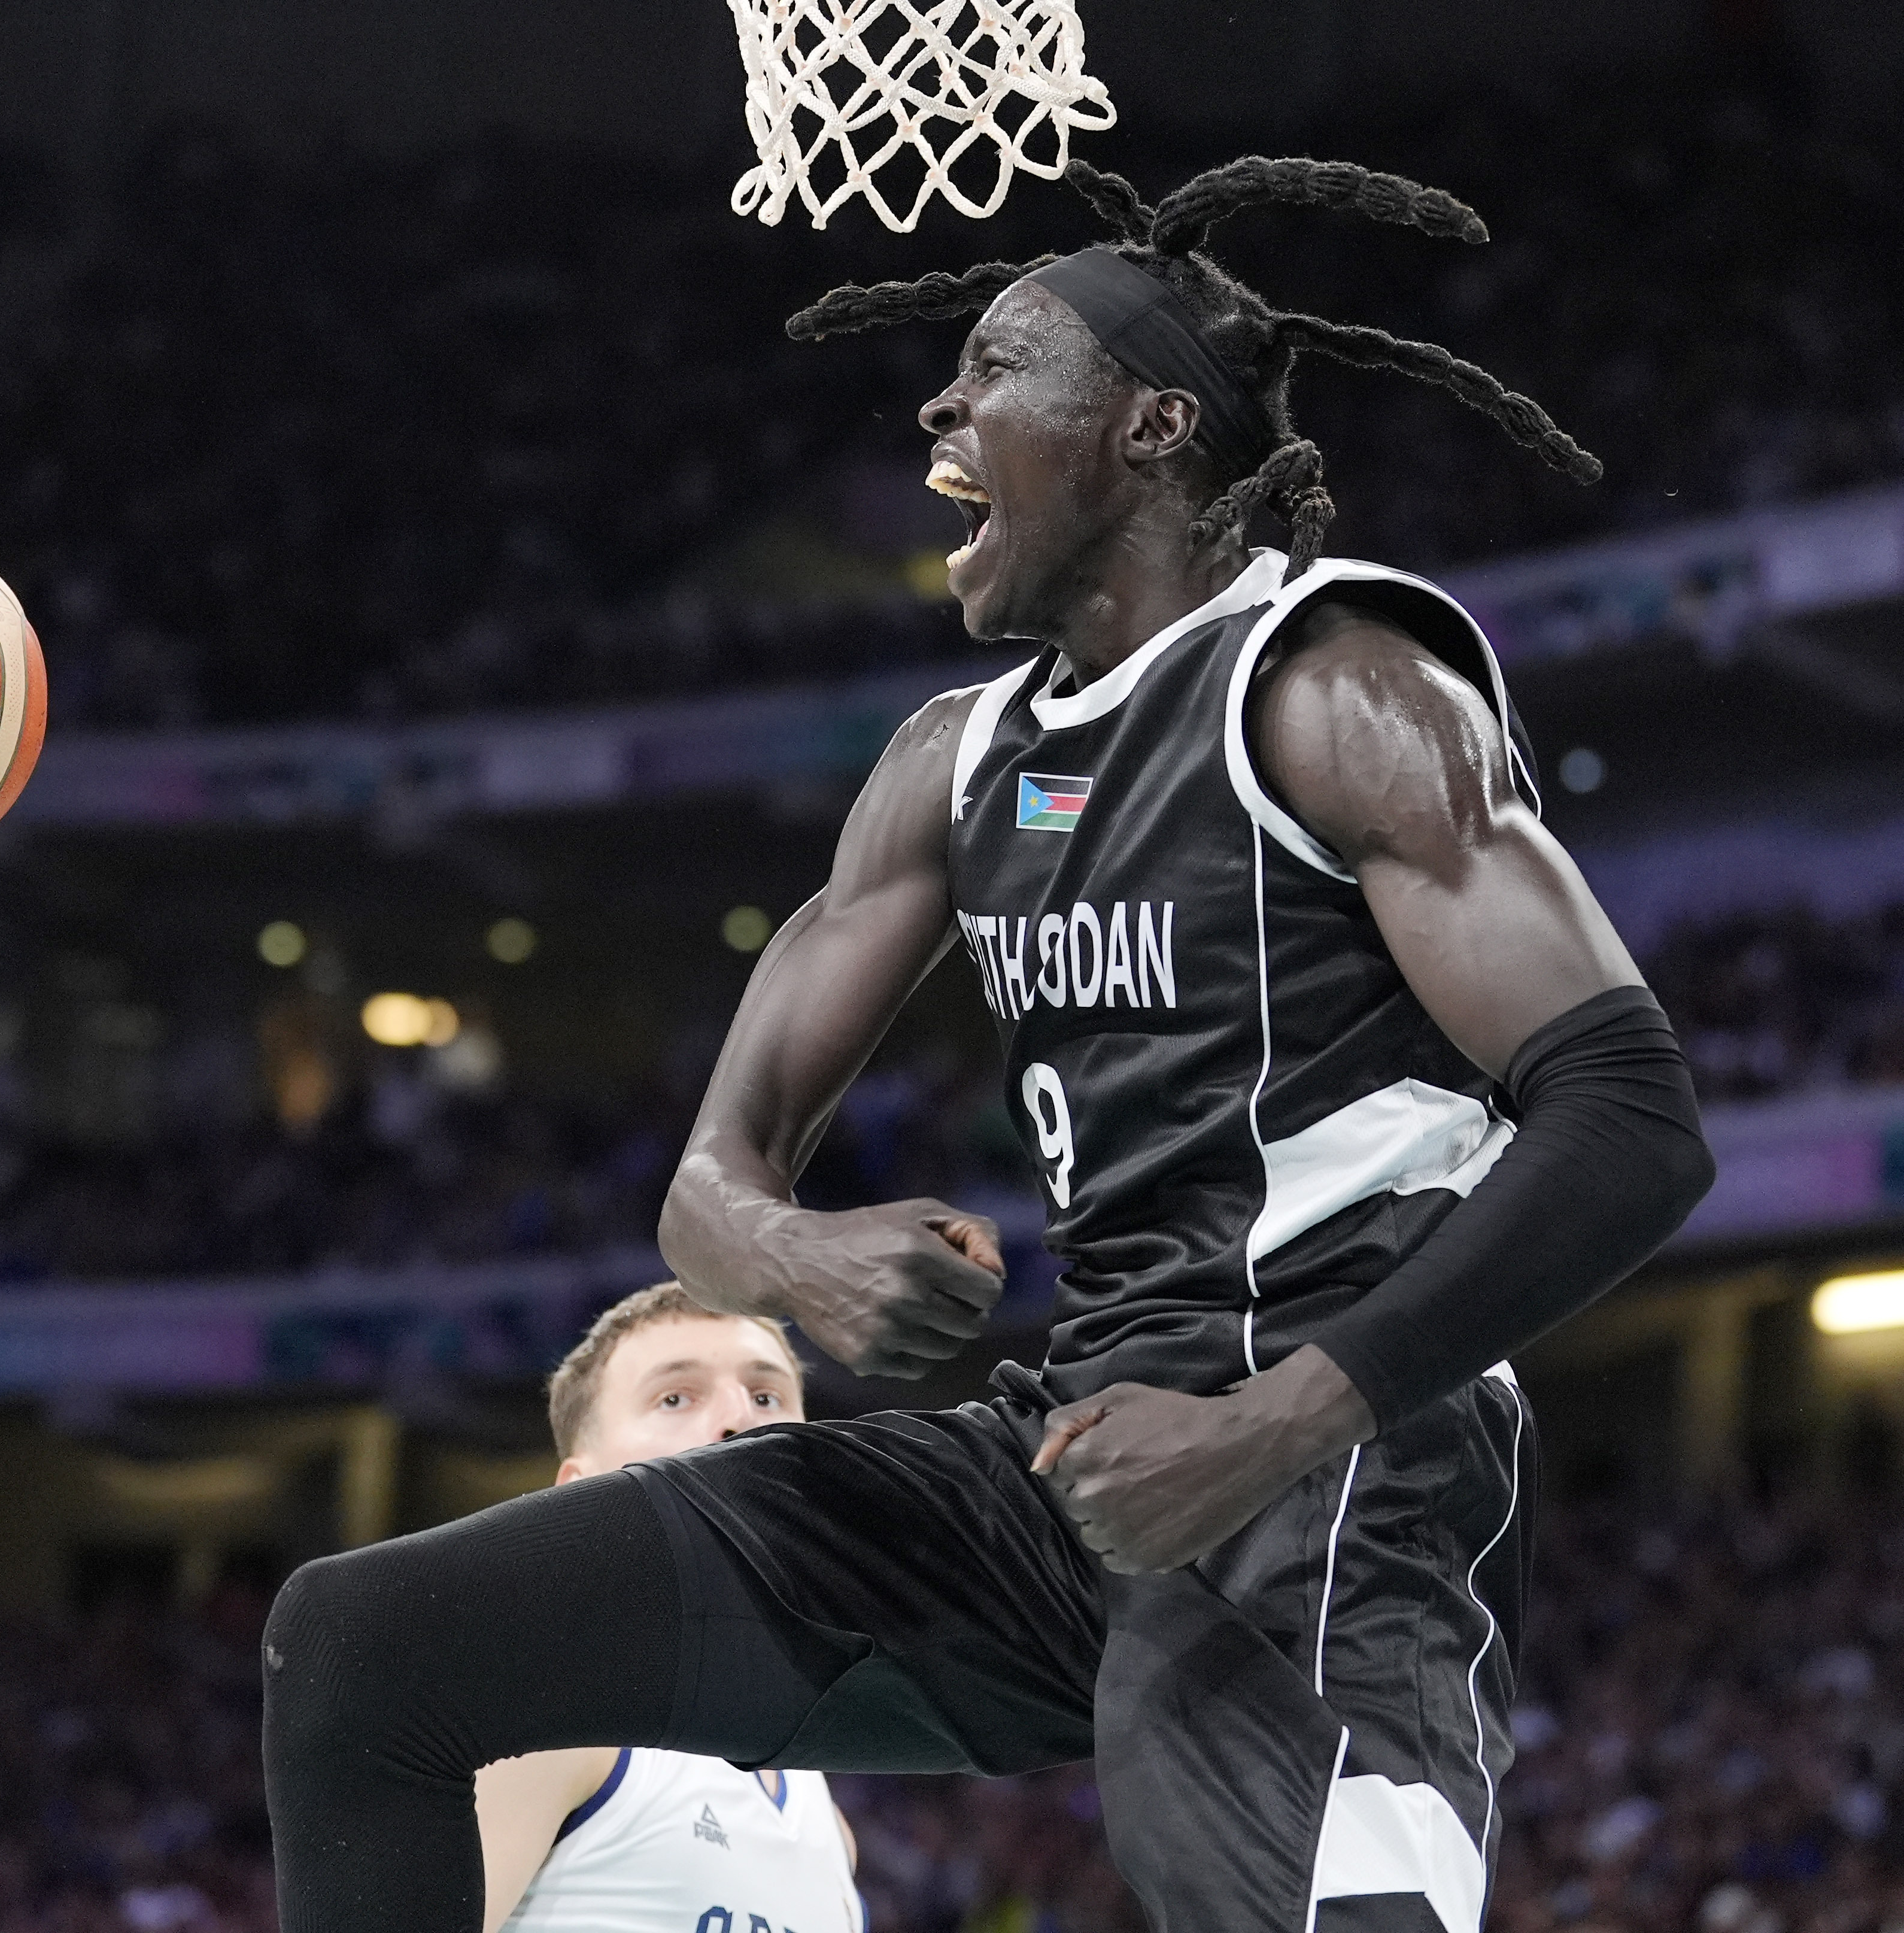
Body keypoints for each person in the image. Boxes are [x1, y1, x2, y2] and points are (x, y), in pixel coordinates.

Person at [263, 157, 1717, 1931]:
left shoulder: (1332, 687)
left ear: (1148, 426)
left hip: (1326, 1465)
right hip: (1066, 1461)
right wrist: (795, 1251)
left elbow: (1633, 1117)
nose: (942, 403)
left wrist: (1271, 1423)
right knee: (369, 1645)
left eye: (1000, 363)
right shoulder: (950, 765)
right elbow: (705, 1191)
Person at [475, 1283, 859, 1933]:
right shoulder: (540, 1719)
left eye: (765, 1395)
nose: (739, 1417)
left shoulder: (828, 1819)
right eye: (675, 1396)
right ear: (580, 1492)